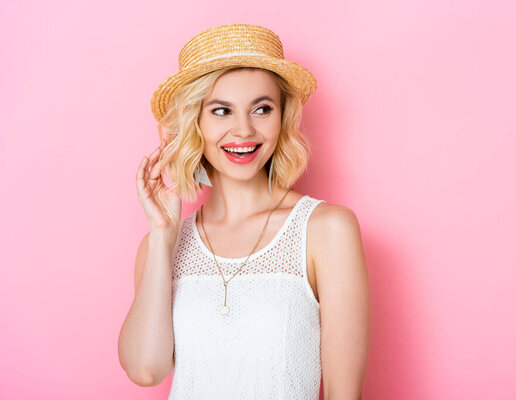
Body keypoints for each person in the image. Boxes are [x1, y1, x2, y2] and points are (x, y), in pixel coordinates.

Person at [118, 24, 371, 399]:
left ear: (282, 116)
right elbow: (145, 369)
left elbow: (343, 394)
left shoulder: (326, 229)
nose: (243, 130)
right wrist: (161, 234)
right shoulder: (160, 245)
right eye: (221, 111)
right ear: (196, 123)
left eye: (262, 109)